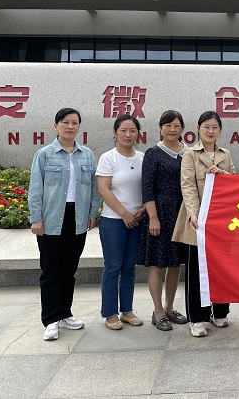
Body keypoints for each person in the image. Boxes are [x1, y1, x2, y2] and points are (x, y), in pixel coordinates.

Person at [28, 108, 101, 341]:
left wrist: (92, 213)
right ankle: (50, 319)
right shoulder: (44, 154)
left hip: (77, 218)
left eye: (75, 123)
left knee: (69, 270)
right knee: (51, 271)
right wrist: (36, 218)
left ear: (79, 126)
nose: (70, 126)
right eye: (65, 122)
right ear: (56, 126)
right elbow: (35, 188)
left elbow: (94, 188)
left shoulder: (87, 155)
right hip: (51, 219)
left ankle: (65, 313)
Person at [173, 111, 234, 337]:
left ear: (220, 131)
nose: (210, 131)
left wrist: (223, 173)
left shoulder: (225, 154)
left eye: (215, 127)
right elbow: (188, 185)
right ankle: (196, 318)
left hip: (221, 221)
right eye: (206, 127)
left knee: (221, 268)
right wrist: (193, 214)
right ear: (198, 128)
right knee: (196, 270)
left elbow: (235, 182)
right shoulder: (190, 154)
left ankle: (220, 312)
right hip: (198, 220)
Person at [96, 114, 146, 330]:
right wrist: (124, 213)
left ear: (138, 134)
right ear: (115, 133)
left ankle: (127, 310)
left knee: (129, 267)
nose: (128, 134)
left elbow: (147, 187)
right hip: (114, 221)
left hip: (137, 221)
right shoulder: (108, 158)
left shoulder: (143, 157)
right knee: (113, 267)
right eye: (123, 130)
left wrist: (143, 209)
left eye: (132, 130)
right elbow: (103, 189)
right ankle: (110, 313)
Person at [140, 110, 187, 332]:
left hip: (181, 211)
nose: (172, 129)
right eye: (168, 125)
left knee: (175, 263)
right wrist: (153, 217)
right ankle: (157, 311)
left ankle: (169, 308)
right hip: (160, 211)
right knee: (158, 263)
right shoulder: (153, 153)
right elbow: (147, 188)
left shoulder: (188, 153)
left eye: (176, 125)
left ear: (182, 129)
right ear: (160, 128)